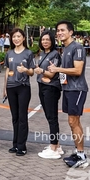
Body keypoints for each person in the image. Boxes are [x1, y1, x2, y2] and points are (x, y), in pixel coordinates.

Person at [48, 20, 90, 168]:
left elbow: (78, 70)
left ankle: (81, 155)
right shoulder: (65, 49)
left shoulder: (77, 47)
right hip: (68, 89)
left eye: (62, 30)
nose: (59, 33)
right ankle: (78, 153)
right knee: (72, 122)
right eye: (58, 31)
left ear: (71, 32)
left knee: (74, 121)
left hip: (77, 89)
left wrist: (58, 69)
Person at [3, 27, 34, 156]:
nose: (16, 39)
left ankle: (22, 146)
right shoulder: (9, 53)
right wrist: (5, 88)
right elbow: (7, 70)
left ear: (23, 38)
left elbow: (32, 72)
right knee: (14, 117)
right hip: (11, 88)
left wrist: (25, 70)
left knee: (22, 117)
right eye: (14, 37)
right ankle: (15, 144)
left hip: (23, 87)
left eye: (18, 36)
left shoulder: (28, 53)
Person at [34, 30, 63, 159]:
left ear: (52, 41)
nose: (45, 41)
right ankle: (57, 145)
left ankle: (53, 148)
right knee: (49, 116)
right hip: (42, 86)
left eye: (47, 39)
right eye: (43, 39)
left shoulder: (55, 54)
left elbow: (51, 74)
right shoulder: (42, 54)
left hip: (51, 88)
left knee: (52, 118)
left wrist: (41, 71)